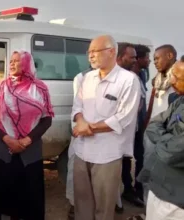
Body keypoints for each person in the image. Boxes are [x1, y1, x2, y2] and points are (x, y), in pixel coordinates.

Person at [72, 35, 141, 220]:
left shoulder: (128, 80)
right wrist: (80, 122)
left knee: (104, 209)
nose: (90, 56)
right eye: (89, 52)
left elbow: (123, 117)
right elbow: (77, 106)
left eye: (95, 51)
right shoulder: (87, 78)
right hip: (81, 151)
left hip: (107, 155)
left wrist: (90, 128)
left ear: (111, 52)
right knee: (82, 205)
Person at [0, 51, 54, 220]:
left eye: (16, 61)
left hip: (29, 152)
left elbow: (47, 119)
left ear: (27, 64)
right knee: (0, 195)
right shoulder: (2, 86)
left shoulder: (40, 89)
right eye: (11, 61)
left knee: (27, 198)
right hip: (2, 150)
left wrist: (25, 141)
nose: (12, 64)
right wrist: (8, 139)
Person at [136, 60, 184, 220]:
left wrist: (163, 141)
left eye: (177, 78)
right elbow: (154, 124)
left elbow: (172, 153)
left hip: (175, 199)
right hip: (159, 185)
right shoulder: (179, 100)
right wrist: (170, 139)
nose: (172, 81)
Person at [116, 42, 146, 208]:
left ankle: (129, 190)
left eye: (136, 57)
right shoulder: (114, 79)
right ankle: (116, 199)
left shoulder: (137, 77)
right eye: (132, 57)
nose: (135, 60)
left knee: (129, 161)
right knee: (114, 165)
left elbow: (140, 103)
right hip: (115, 130)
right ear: (120, 57)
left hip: (133, 128)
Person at [66, 66, 93, 220]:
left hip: (104, 135)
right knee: (76, 170)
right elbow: (78, 106)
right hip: (82, 131)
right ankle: (74, 204)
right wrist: (78, 128)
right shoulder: (82, 77)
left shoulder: (120, 77)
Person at [145, 44, 177, 125]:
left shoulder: (180, 79)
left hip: (171, 128)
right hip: (154, 127)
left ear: (170, 56)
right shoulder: (157, 80)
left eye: (157, 58)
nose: (155, 62)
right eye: (154, 60)